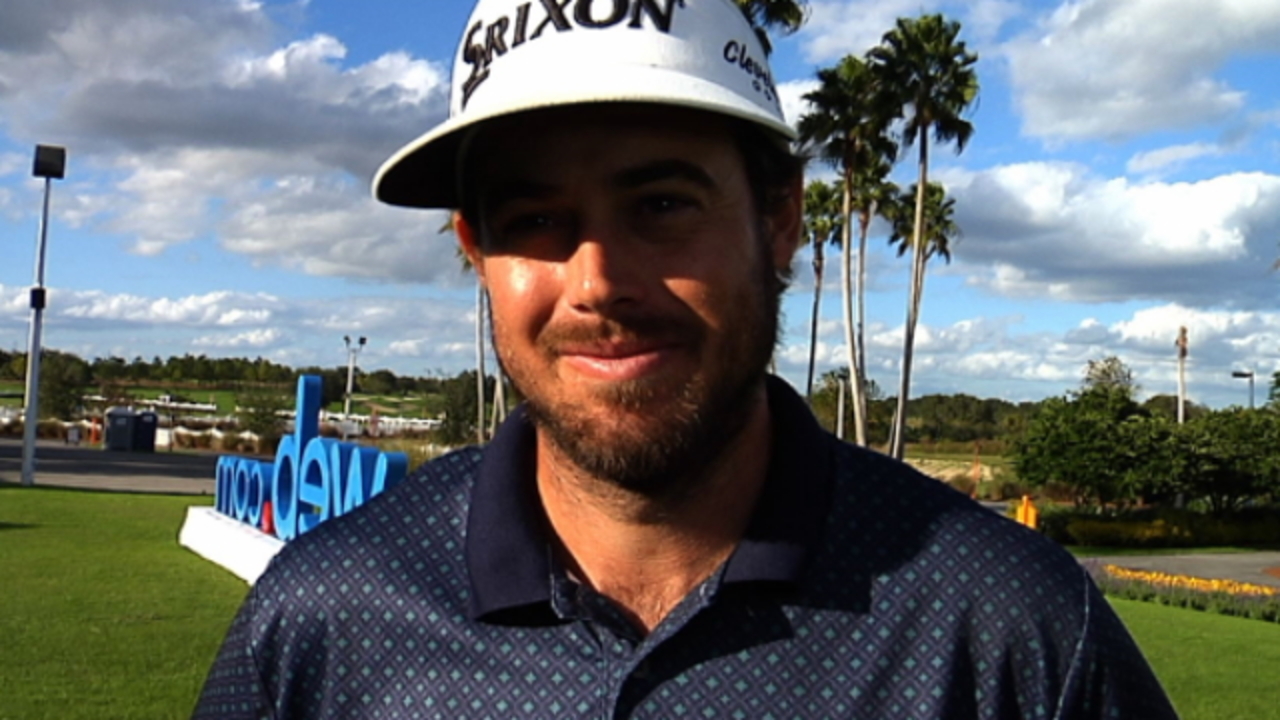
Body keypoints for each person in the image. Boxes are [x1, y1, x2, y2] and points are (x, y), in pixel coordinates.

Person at [194, 0, 1179, 717]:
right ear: (475, 250)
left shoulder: (1010, 627)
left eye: (662, 204)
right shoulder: (326, 615)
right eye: (534, 220)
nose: (597, 282)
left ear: (779, 219)